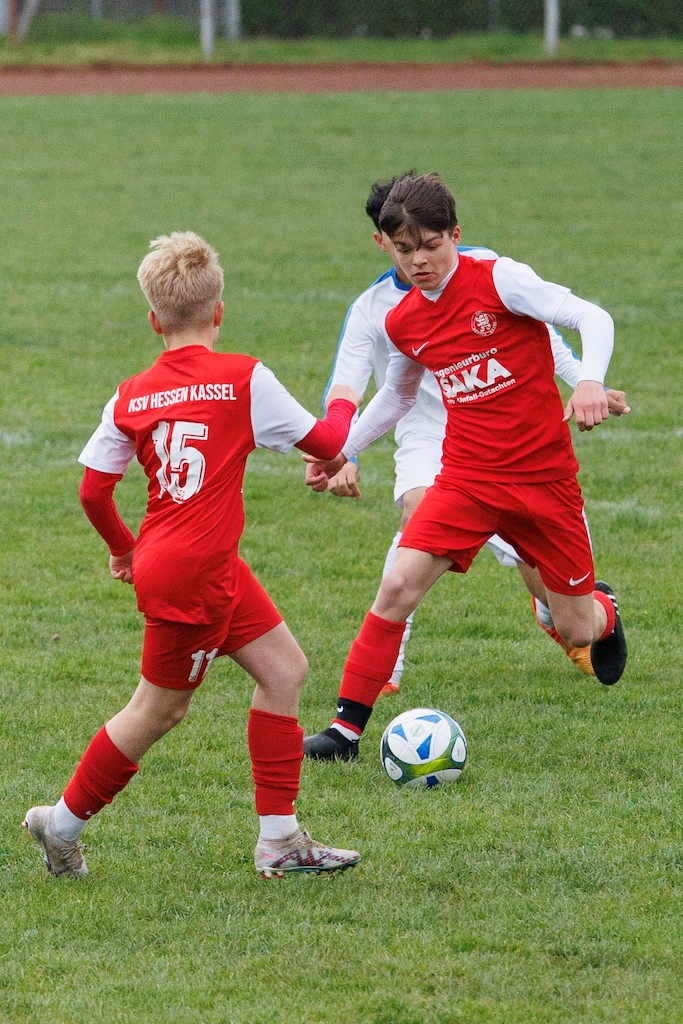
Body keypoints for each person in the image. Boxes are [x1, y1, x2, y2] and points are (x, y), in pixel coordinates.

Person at [22, 231, 362, 879]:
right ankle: (59, 826)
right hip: (196, 574)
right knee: (158, 710)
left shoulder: (131, 393)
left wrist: (123, 550)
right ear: (219, 312)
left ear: (154, 321)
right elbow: (326, 442)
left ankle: (281, 840)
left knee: (284, 670)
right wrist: (344, 398)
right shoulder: (244, 377)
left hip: (185, 558)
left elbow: (93, 491)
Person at [303, 174, 627, 762]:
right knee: (397, 584)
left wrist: (589, 381)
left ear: (455, 235)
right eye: (405, 250)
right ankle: (344, 733)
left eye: (430, 245)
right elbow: (397, 396)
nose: (419, 261)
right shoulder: (402, 320)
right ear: (388, 246)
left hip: (544, 483)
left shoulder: (500, 278)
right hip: (467, 480)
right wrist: (343, 449)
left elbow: (593, 317)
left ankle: (604, 609)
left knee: (577, 628)